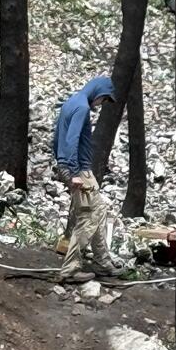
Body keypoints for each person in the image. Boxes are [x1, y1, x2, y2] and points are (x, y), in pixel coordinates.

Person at [52, 76, 122, 282]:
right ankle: (70, 269)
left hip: (75, 168)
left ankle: (102, 262)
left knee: (98, 210)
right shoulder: (82, 108)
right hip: (79, 170)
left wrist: (61, 164)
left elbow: (57, 138)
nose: (100, 105)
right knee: (88, 219)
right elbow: (71, 140)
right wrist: (72, 172)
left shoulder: (71, 102)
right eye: (103, 100)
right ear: (99, 93)